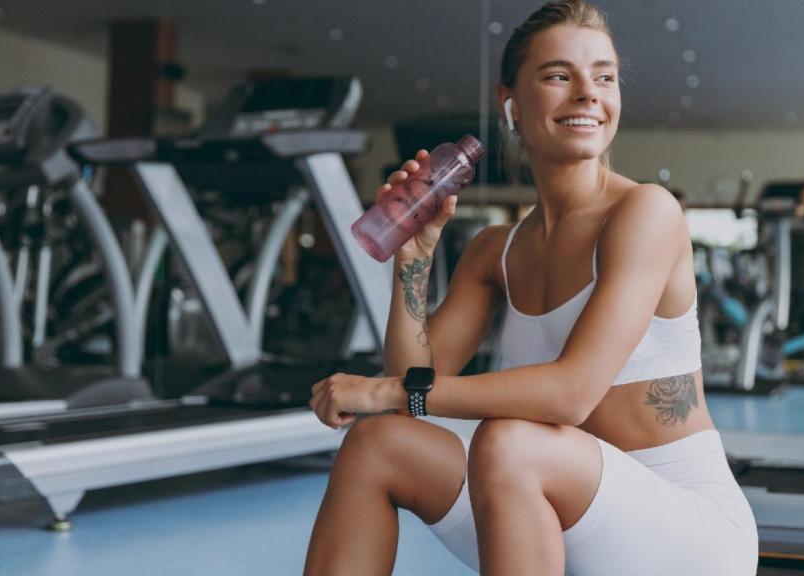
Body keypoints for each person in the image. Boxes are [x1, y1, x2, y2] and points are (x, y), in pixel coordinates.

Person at [304, 1, 758, 574]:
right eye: (559, 75)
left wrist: (385, 393)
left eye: (605, 77)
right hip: (542, 505)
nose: (589, 93)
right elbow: (414, 386)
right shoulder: (495, 250)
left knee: (510, 443)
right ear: (510, 103)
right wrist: (411, 261)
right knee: (375, 446)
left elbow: (570, 396)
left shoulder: (646, 212)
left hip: (680, 529)